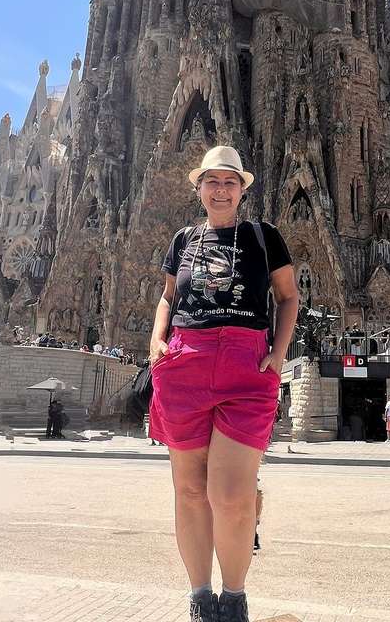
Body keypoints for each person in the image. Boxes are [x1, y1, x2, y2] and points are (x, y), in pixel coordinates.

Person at [148, 146, 299, 622]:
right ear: (199, 189)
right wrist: (156, 340)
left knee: (231, 495)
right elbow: (168, 297)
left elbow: (288, 297)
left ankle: (233, 599)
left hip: (245, 365)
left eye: (229, 181)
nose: (220, 189)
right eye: (211, 181)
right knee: (189, 490)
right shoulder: (183, 239)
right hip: (184, 361)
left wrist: (277, 355)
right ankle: (200, 597)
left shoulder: (263, 236)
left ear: (242, 190)